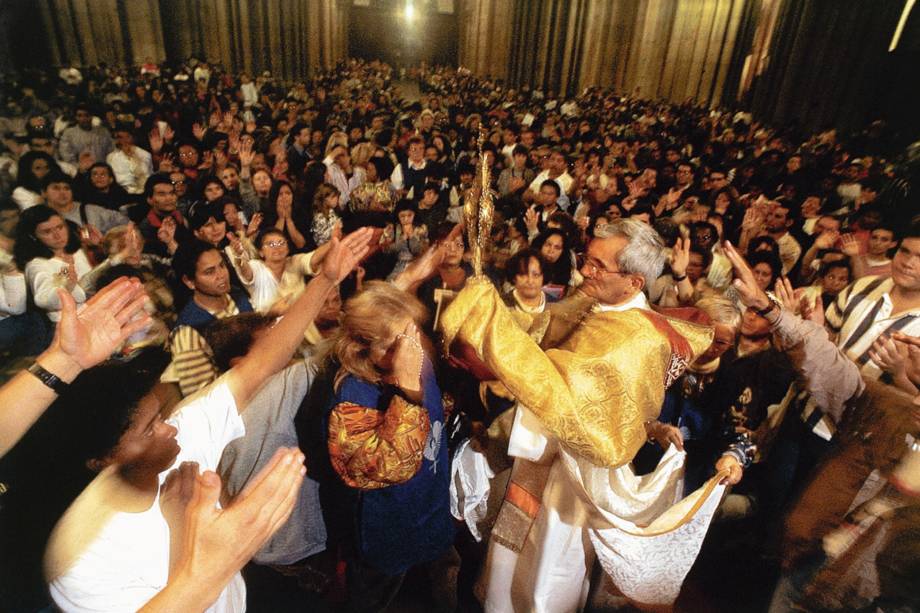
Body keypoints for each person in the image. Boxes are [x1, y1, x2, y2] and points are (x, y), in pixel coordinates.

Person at [43, 227, 372, 613]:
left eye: (159, 416)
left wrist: (326, 279)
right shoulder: (79, 557)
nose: (170, 427)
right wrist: (190, 533)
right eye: (149, 429)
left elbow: (260, 364)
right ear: (100, 460)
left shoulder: (181, 436)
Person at [439, 220, 737, 611]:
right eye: (586, 260)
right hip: (536, 464)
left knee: (545, 580)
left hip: (573, 482)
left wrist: (493, 323)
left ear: (633, 282)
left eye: (598, 265)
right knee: (507, 571)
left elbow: (556, 386)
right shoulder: (597, 303)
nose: (584, 271)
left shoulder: (638, 339)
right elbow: (541, 332)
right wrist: (490, 311)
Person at [325, 281, 455, 612]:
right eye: (399, 342)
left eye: (413, 333)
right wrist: (409, 393)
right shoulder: (353, 398)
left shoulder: (414, 363)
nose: (414, 347)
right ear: (362, 346)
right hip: (389, 535)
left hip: (430, 514)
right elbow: (385, 468)